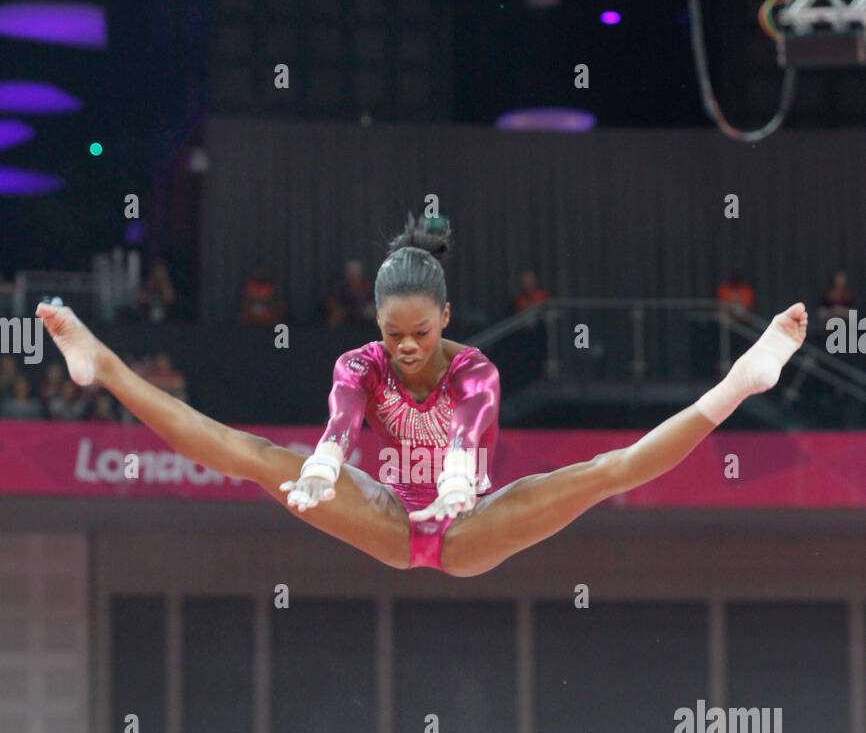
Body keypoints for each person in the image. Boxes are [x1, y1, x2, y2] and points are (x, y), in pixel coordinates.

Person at [36, 213, 807, 578]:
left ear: (445, 318)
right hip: (392, 519)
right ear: (377, 323)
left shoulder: (476, 369)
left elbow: (471, 441)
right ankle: (103, 364)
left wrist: (459, 484)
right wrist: (314, 469)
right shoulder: (359, 365)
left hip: (468, 524)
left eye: (420, 333)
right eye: (392, 333)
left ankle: (741, 381)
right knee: (257, 457)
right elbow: (339, 426)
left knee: (607, 472)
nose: (406, 348)